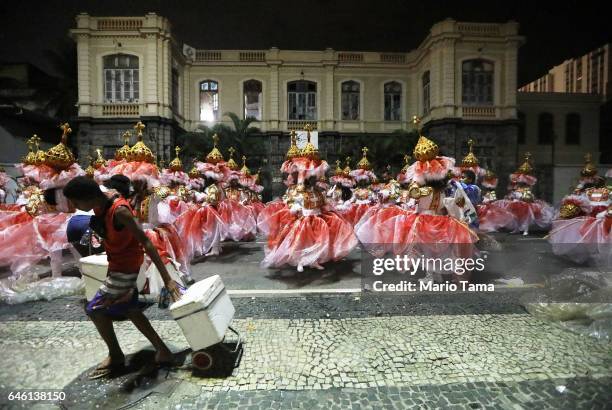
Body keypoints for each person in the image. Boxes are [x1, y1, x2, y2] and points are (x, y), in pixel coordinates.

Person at [62, 176, 182, 379]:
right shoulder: (103, 200)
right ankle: (163, 351)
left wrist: (168, 280)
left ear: (90, 197)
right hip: (117, 263)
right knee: (131, 308)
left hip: (126, 268)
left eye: (76, 202)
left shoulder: (119, 211)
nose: (75, 207)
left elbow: (147, 242)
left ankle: (116, 355)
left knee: (95, 309)